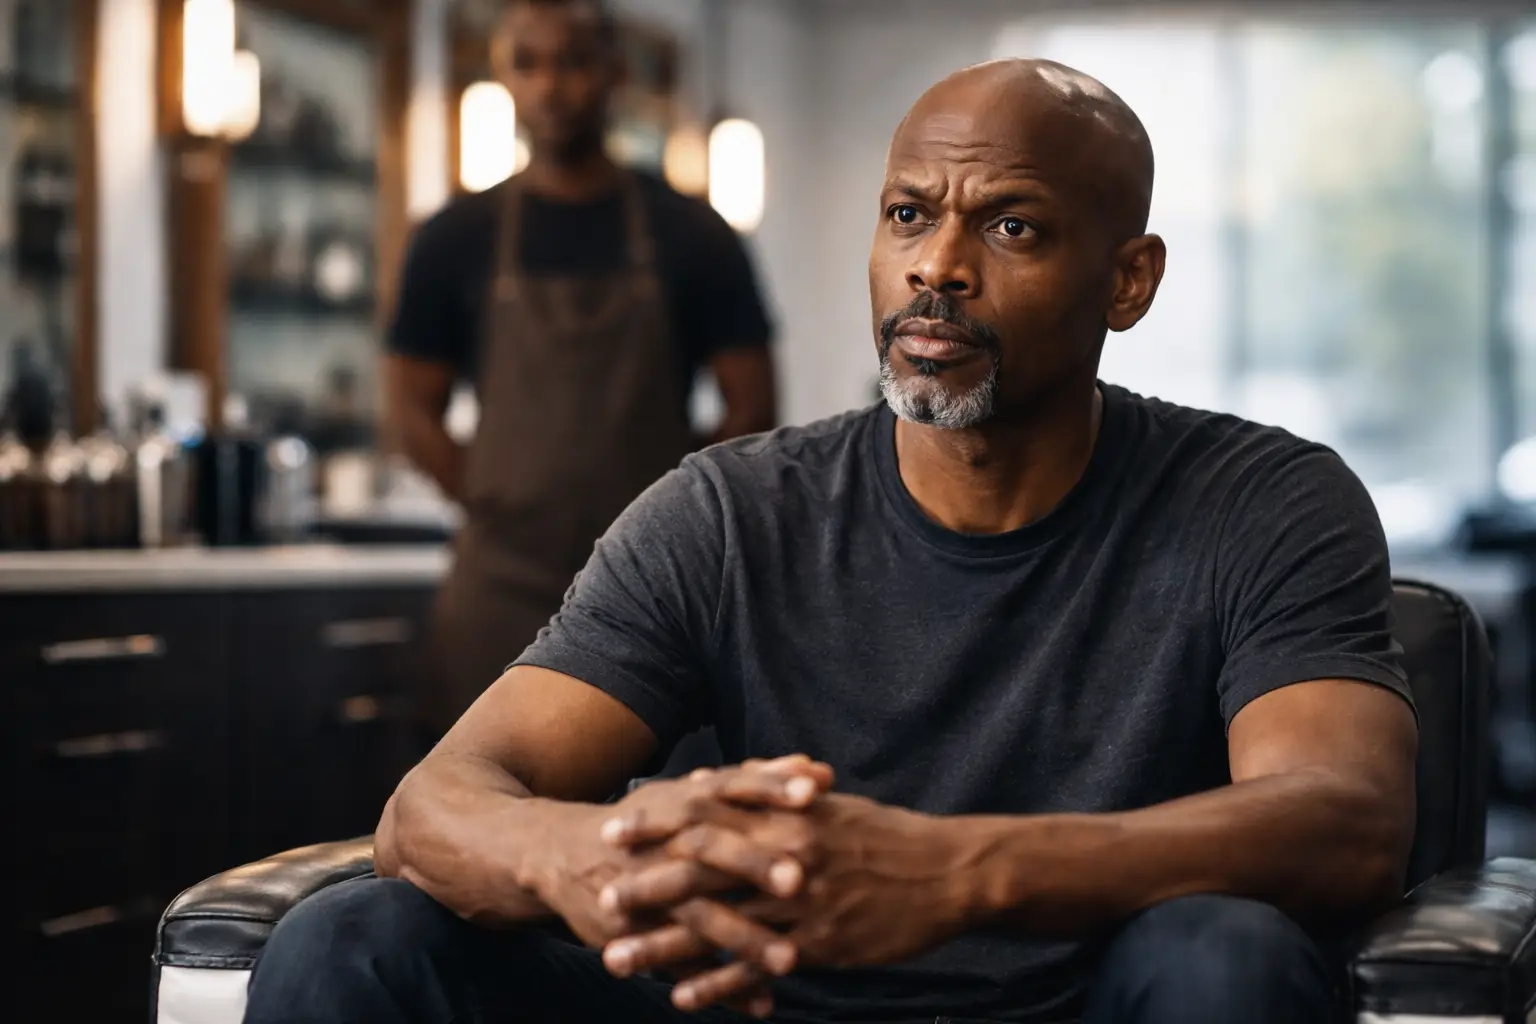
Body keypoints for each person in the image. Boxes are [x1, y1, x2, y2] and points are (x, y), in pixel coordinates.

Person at [247, 57, 1419, 1024]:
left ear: (1129, 281)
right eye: (909, 214)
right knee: (355, 938)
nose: (937, 267)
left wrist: (955, 874)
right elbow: (435, 805)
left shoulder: (1262, 498)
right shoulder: (728, 512)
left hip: (1080, 998)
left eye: (1011, 225)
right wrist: (589, 857)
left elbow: (1345, 815)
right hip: (753, 997)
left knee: (1229, 955)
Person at [385, 0, 777, 735]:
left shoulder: (692, 233)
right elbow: (410, 408)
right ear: (502, 79)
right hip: (498, 578)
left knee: (653, 805)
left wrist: (677, 520)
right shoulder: (453, 237)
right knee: (475, 797)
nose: (551, 87)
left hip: (657, 578)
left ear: (615, 73)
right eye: (527, 64)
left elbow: (751, 406)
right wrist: (495, 498)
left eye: (572, 61)